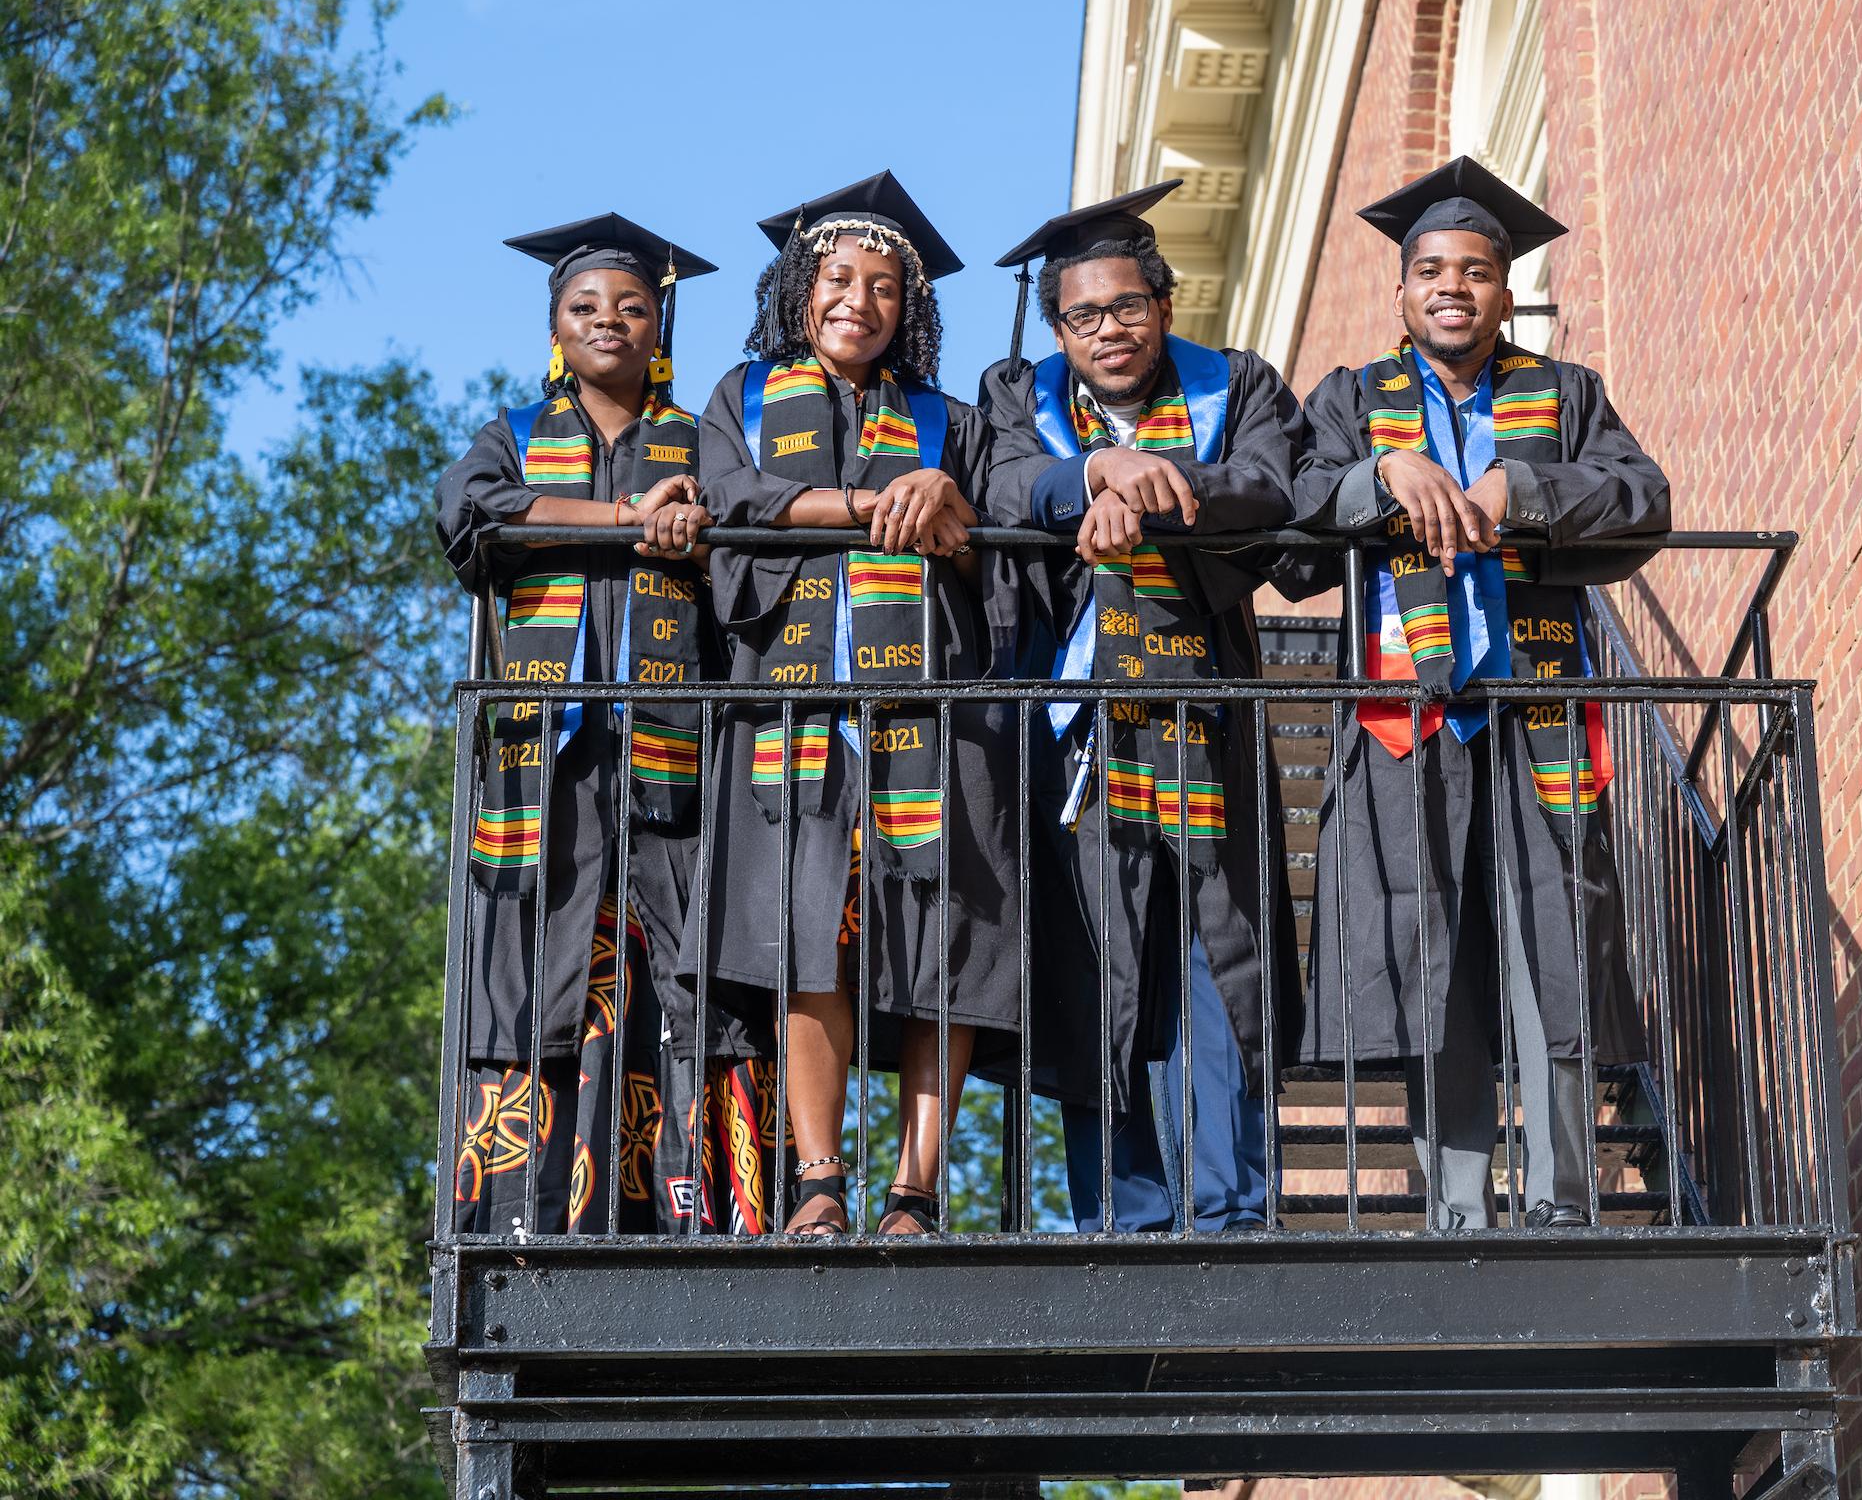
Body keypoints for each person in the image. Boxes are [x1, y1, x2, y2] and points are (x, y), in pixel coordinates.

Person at [1283, 158, 1672, 1228]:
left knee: (1551, 940)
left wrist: (1523, 485)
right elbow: (1293, 520)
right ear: (1400, 291)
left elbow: (1644, 498)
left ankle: (1560, 1195)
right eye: (1431, 271)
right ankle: (1456, 1203)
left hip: (1535, 702)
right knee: (1431, 953)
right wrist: (1380, 476)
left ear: (1505, 293)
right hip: (1407, 716)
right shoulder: (1352, 400)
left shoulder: (1567, 394)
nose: (1452, 287)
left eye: (1476, 270)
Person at [686, 172, 1020, 1238]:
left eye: (884, 287)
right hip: (793, 713)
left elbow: (1000, 552)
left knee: (942, 943)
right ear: (800, 288)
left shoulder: (951, 422)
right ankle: (821, 1182)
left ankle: (916, 1192)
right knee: (804, 937)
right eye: (837, 278)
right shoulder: (742, 399)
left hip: (929, 716)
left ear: (908, 309)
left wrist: (951, 503)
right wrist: (868, 503)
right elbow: (730, 501)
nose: (858, 301)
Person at [436, 214, 779, 1234]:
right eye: (585, 306)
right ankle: (524, 1214)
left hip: (676, 752)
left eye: (631, 306)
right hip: (550, 757)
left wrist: (696, 531)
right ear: (555, 326)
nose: (608, 321)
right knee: (536, 964)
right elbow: (473, 513)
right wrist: (633, 520)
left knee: (685, 968)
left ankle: (692, 1212)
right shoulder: (512, 435)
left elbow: (749, 548)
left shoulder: (704, 440)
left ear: (658, 326)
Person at [982, 180, 1301, 1233]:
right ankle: (1123, 1213)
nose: (1108, 330)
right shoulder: (1016, 395)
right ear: (1057, 330)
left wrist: (1156, 487)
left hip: (1205, 710)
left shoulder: (1236, 385)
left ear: (1164, 304)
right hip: (1079, 726)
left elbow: (1274, 488)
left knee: (1219, 952)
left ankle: (1231, 1206)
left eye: (1126, 306)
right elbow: (1004, 484)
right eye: (1083, 316)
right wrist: (1094, 473)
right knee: (1100, 962)